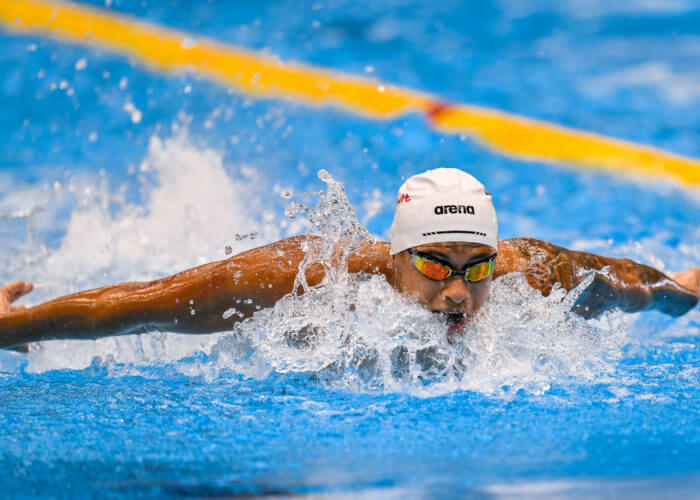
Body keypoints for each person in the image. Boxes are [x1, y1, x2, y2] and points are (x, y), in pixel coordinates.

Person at [0, 168, 697, 349]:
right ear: (393, 258)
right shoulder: (301, 278)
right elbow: (134, 305)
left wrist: (685, 291)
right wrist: (15, 326)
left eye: (474, 267)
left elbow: (629, 283)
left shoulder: (530, 273)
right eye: (433, 265)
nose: (457, 293)